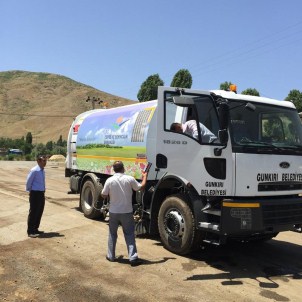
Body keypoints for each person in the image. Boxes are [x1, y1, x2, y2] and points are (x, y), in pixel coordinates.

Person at [101, 161, 148, 266]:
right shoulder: (129, 179)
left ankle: (111, 256)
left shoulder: (109, 180)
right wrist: (145, 176)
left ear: (114, 169)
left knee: (112, 234)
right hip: (127, 212)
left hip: (113, 212)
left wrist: (106, 195)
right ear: (123, 168)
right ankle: (133, 258)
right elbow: (141, 187)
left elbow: (103, 195)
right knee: (129, 234)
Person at [26, 155, 47, 238]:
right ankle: (30, 231)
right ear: (38, 161)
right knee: (33, 212)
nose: (45, 162)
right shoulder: (34, 170)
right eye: (43, 161)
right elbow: (28, 181)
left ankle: (35, 229)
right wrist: (29, 191)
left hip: (41, 193)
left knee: (39, 211)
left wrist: (44, 189)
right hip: (35, 193)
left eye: (45, 161)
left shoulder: (42, 171)